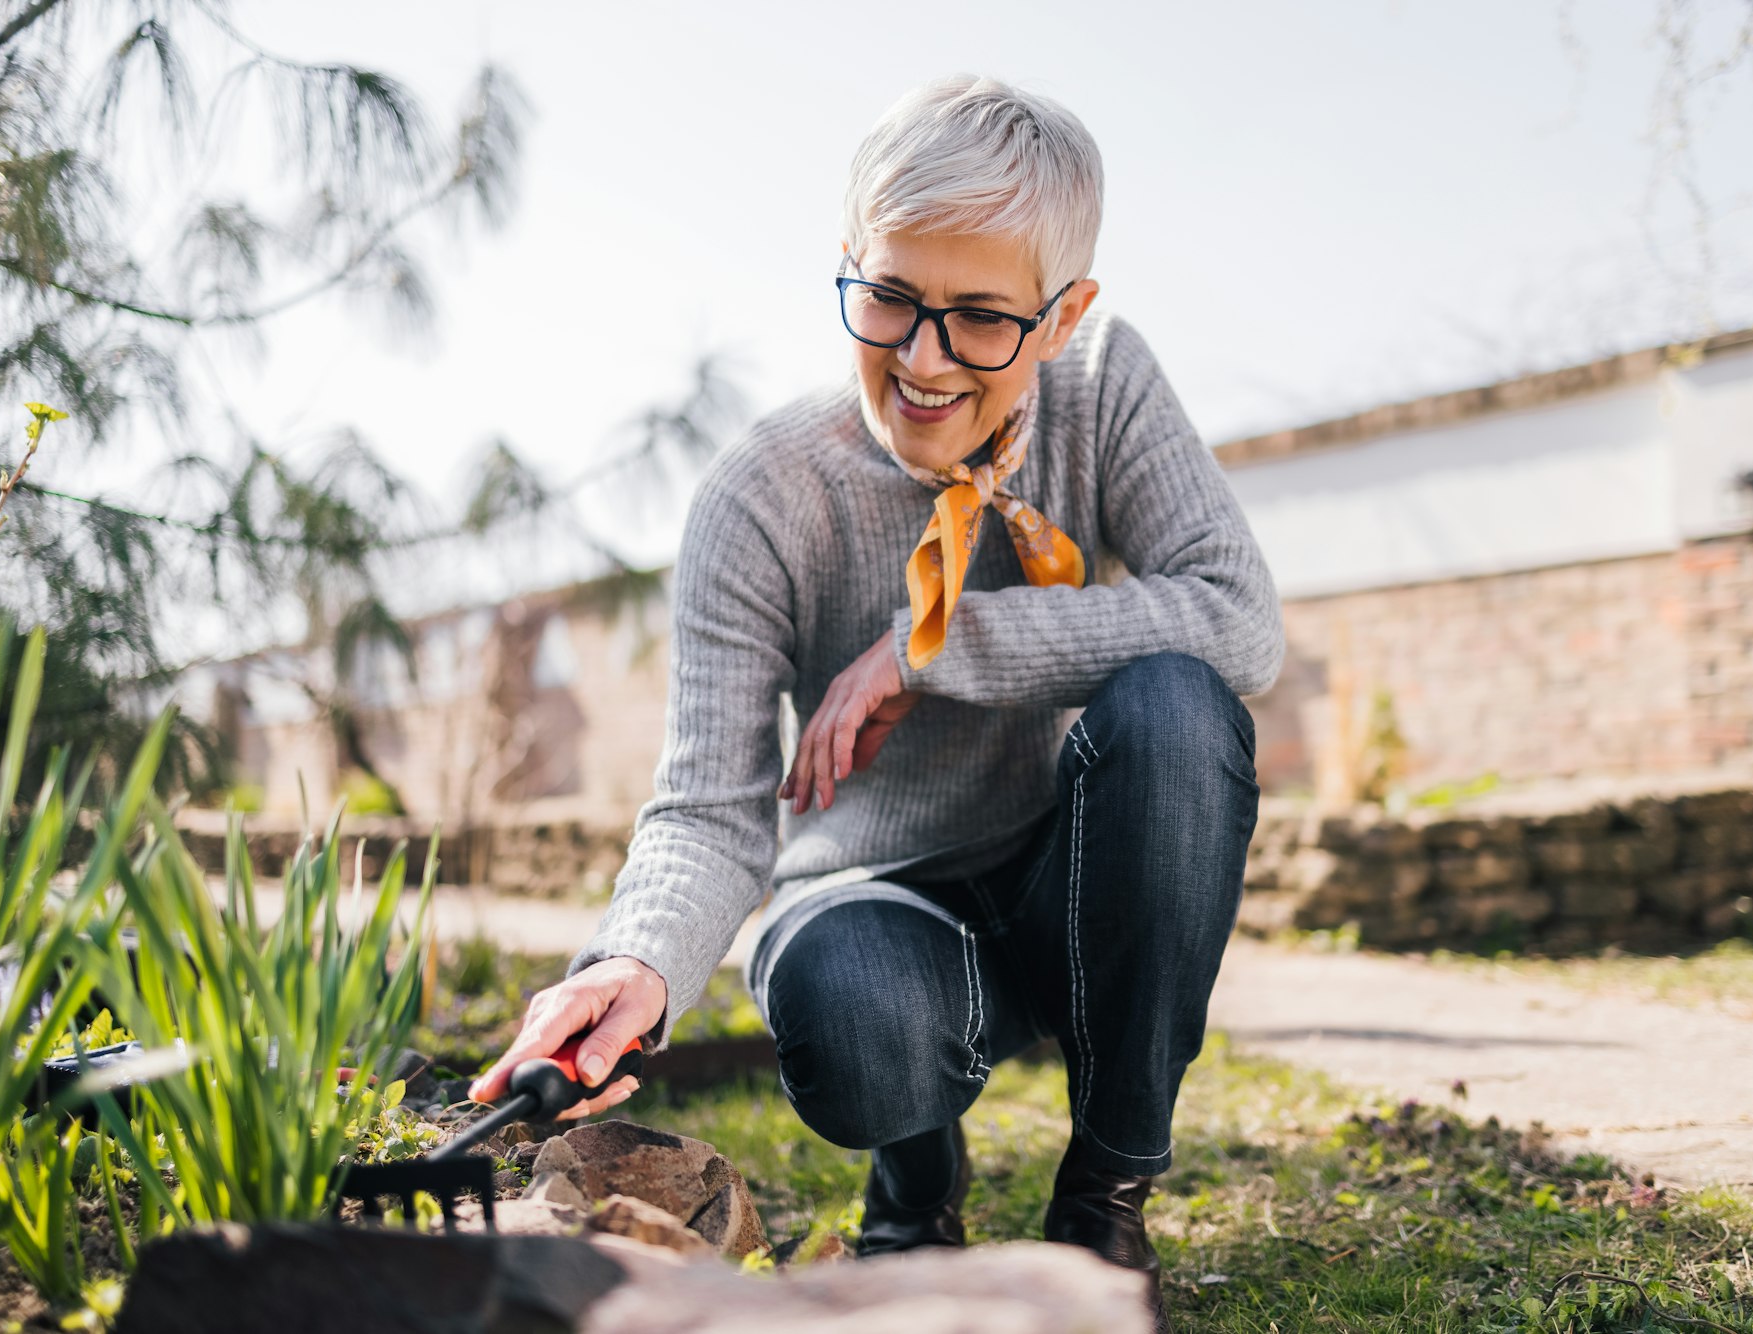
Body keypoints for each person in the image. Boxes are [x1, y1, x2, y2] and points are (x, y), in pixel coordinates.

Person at [473, 74, 1283, 1326]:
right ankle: (915, 1169)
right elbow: (709, 804)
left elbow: (1238, 616)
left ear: (1063, 314)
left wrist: (933, 646)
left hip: (1071, 880)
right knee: (852, 1013)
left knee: (1181, 708)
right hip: (873, 894)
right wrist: (632, 961)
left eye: (979, 321)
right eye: (891, 298)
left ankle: (1105, 1194)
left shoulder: (1109, 384)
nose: (922, 360)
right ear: (849, 260)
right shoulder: (764, 493)